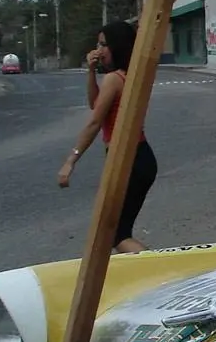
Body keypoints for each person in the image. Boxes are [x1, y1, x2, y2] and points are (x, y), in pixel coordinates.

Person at [57, 21, 158, 253]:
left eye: (103, 45)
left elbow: (94, 122)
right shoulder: (128, 76)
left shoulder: (114, 79)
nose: (98, 50)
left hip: (128, 161)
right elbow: (96, 104)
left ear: (117, 47)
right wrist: (91, 72)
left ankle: (160, 271)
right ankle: (154, 270)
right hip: (139, 158)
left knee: (117, 235)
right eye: (97, 44)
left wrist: (70, 161)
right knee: (117, 231)